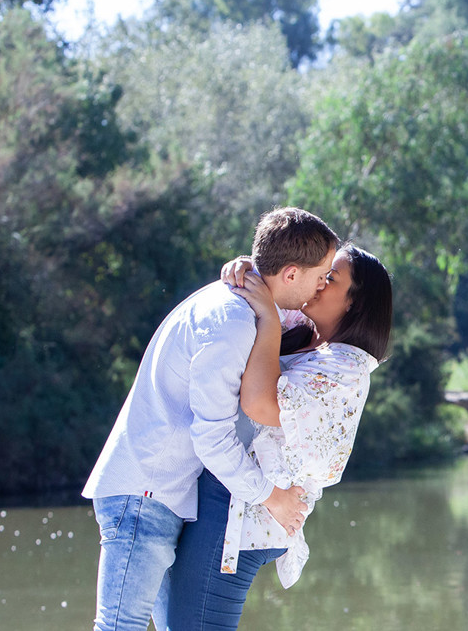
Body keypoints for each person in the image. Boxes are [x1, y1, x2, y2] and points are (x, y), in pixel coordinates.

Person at [82, 207, 340, 631]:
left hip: (161, 492)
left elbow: (307, 319)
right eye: (321, 274)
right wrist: (271, 496)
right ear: (291, 274)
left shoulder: (245, 305)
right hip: (144, 494)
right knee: (117, 626)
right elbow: (212, 438)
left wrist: (251, 268)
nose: (322, 285)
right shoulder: (232, 322)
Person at [164, 243, 393, 631]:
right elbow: (277, 280)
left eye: (329, 278)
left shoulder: (346, 367)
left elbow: (259, 404)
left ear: (354, 303)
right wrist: (248, 268)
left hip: (242, 513)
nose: (317, 282)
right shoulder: (303, 331)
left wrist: (269, 319)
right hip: (232, 496)